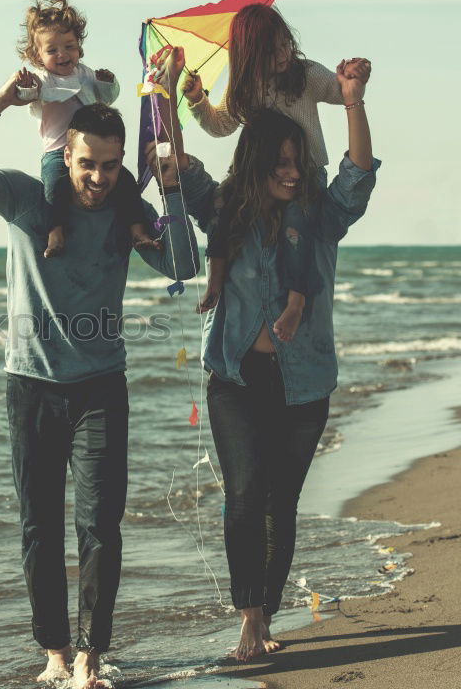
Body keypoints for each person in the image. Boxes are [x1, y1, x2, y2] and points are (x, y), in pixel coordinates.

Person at [0, 73, 198, 687]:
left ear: (120, 164)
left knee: (101, 525)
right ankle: (53, 651)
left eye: (108, 166)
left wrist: (173, 192)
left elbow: (185, 263)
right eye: (85, 164)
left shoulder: (130, 214)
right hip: (30, 386)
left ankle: (90, 657)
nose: (97, 178)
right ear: (65, 156)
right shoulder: (27, 200)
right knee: (39, 526)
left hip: (102, 386)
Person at [152, 46, 377, 662]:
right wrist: (165, 94)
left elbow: (357, 174)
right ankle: (250, 621)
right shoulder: (226, 210)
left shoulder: (320, 216)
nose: (291, 172)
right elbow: (176, 164)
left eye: (296, 162)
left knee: (281, 502)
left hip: (303, 386)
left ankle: (265, 615)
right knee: (246, 493)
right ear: (255, 163)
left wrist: (353, 101)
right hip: (234, 377)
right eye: (279, 163)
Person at [177, 4, 370, 341]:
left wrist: (354, 77)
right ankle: (215, 281)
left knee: (298, 227)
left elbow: (341, 93)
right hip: (254, 177)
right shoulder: (245, 87)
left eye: (285, 44)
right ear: (250, 55)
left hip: (306, 174)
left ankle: (296, 304)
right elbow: (221, 125)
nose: (283, 54)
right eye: (272, 50)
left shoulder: (306, 75)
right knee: (223, 209)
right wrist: (197, 100)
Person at [14, 0, 158, 258]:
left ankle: (138, 231)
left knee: (126, 181)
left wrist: (106, 81)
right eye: (52, 50)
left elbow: (108, 97)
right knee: (53, 187)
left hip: (94, 150)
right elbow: (27, 97)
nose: (62, 55)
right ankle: (55, 234)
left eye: (69, 46)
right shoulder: (42, 80)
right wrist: (25, 88)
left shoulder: (85, 73)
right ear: (37, 54)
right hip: (58, 151)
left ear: (79, 46)